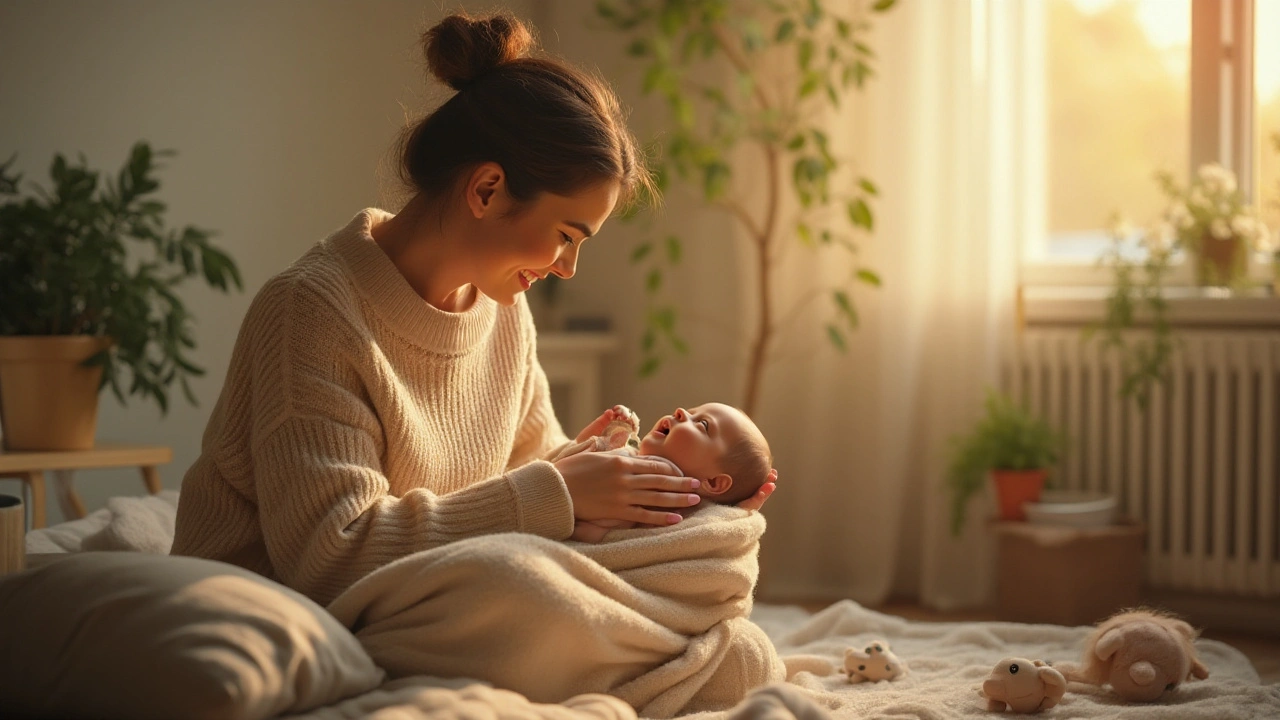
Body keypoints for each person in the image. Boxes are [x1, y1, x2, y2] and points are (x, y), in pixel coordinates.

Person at [170, 11, 775, 606]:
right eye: (567, 235)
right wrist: (560, 490)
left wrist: (681, 507)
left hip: (423, 599)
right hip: (273, 613)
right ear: (486, 190)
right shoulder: (310, 312)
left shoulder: (501, 307)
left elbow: (526, 478)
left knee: (717, 629)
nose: (567, 267)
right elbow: (330, 558)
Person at [564, 403, 773, 542]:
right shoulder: (627, 462)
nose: (681, 411)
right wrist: (594, 441)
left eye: (702, 424)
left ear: (714, 482)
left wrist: (732, 519)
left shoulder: (678, 518)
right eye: (692, 410)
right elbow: (562, 470)